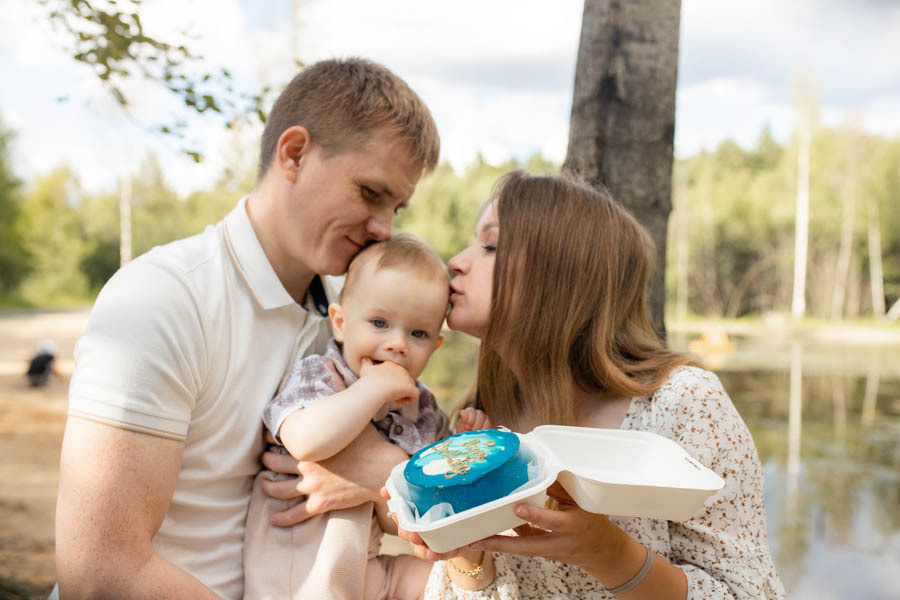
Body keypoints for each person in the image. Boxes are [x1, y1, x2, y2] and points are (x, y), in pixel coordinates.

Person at [53, 57, 440, 599]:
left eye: (397, 207)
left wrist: (387, 473)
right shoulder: (163, 298)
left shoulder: (356, 325)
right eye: (370, 194)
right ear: (294, 154)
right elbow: (99, 571)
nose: (384, 229)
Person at [389, 171, 786, 599]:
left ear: (561, 273)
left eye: (491, 246)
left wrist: (610, 554)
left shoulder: (685, 406)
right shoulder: (485, 421)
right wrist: (466, 552)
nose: (456, 261)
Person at [243, 233, 451, 600]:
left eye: (418, 333)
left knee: (449, 579)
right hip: (301, 570)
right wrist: (372, 389)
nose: (398, 344)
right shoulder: (321, 374)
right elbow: (304, 441)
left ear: (435, 346)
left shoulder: (424, 409)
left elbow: (404, 523)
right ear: (340, 322)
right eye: (380, 323)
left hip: (367, 564)